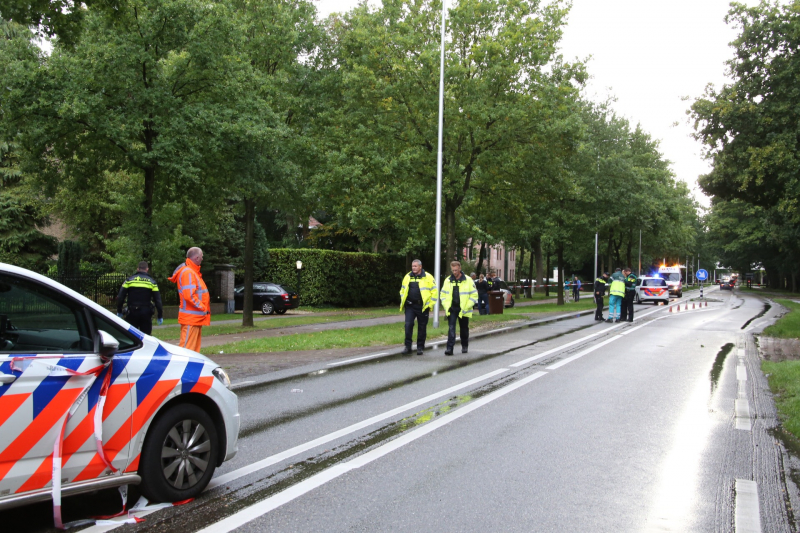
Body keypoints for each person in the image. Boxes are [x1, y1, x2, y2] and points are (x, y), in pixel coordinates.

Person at [169, 247, 210, 352]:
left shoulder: (191, 272)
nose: (202, 259)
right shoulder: (189, 273)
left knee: (192, 351)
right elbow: (189, 296)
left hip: (194, 319)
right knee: (186, 351)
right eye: (201, 257)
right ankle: (181, 368)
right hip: (191, 319)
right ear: (196, 257)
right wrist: (203, 308)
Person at [399, 259, 439, 355]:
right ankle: (407, 347)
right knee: (408, 325)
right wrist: (403, 300)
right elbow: (402, 290)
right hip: (410, 306)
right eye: (412, 266)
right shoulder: (408, 277)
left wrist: (430, 305)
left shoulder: (428, 277)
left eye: (415, 266)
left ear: (420, 267)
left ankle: (420, 347)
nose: (413, 268)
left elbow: (434, 292)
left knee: (422, 327)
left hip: (422, 306)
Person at [116, 261, 163, 335]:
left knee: (131, 336)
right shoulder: (152, 282)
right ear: (147, 269)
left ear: (138, 269)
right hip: (146, 313)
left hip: (132, 312)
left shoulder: (129, 280)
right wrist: (160, 315)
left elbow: (120, 297)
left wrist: (119, 310)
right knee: (146, 337)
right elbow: (158, 300)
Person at [441, 261, 477, 355]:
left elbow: (474, 295)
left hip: (464, 309)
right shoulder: (448, 280)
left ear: (460, 269)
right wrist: (446, 306)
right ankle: (450, 348)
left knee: (464, 329)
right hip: (452, 308)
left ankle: (464, 345)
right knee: (451, 328)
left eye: (456, 270)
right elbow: (443, 295)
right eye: (453, 270)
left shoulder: (468, 280)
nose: (454, 272)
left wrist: (467, 306)